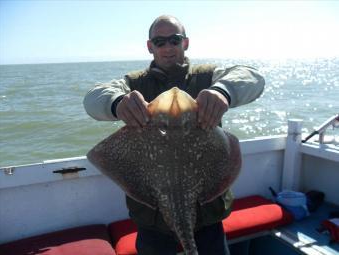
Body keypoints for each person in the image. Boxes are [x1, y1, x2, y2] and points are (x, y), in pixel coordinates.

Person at [84, 15, 265, 255]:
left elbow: (253, 78)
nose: (168, 47)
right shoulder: (133, 84)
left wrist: (223, 91)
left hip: (208, 214)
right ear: (150, 46)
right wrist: (117, 103)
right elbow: (92, 98)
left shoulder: (209, 77)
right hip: (151, 220)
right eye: (160, 42)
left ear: (185, 43)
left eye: (174, 40)